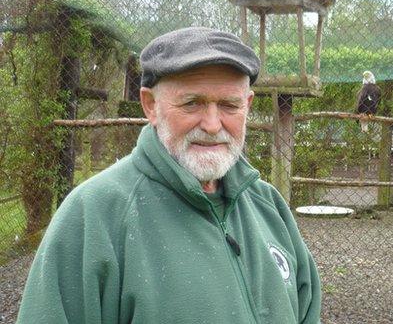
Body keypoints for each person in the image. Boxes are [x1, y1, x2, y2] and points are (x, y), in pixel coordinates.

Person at [17, 27, 321, 324]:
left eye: (229, 105)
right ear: (150, 105)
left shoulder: (268, 206)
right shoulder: (93, 215)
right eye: (192, 103)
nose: (213, 124)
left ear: (249, 105)